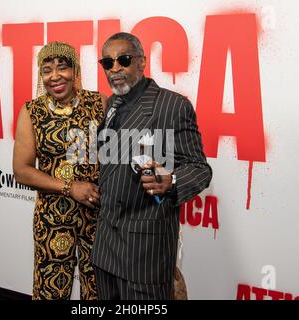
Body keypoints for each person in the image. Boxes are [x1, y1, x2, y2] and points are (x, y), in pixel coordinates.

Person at [91, 32, 212, 300]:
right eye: (107, 63)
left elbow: (199, 168)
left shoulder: (172, 105)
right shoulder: (112, 104)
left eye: (123, 59)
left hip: (145, 252)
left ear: (142, 62)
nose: (115, 69)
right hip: (105, 248)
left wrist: (172, 181)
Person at [13, 42, 105, 300]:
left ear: (75, 70)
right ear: (40, 76)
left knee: (99, 292)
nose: (55, 76)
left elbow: (114, 155)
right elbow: (21, 170)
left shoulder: (98, 103)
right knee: (50, 293)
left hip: (98, 216)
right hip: (52, 218)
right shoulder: (33, 111)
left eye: (62, 68)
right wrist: (69, 187)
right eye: (47, 70)